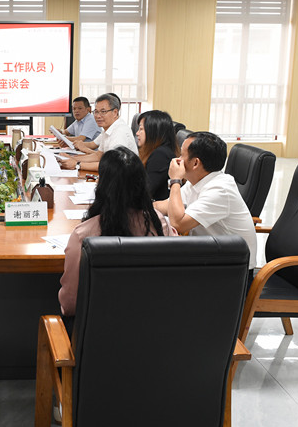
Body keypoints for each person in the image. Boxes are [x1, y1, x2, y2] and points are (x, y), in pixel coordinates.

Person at [58, 147, 172, 319]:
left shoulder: (84, 235)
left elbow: (70, 305)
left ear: (102, 186)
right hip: (154, 323)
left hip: (99, 331)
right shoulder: (159, 223)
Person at [153, 131, 257, 270]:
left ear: (195, 163)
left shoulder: (220, 190)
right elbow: (167, 206)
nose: (178, 159)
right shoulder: (197, 181)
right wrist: (140, 206)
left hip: (232, 270)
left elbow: (178, 223)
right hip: (210, 257)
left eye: (182, 155)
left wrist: (175, 180)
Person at [59, 93, 138, 173]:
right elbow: (98, 156)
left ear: (115, 112)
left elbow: (111, 165)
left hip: (124, 178)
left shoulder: (119, 132)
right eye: (96, 112)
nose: (98, 116)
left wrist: (77, 164)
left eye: (103, 111)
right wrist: (71, 158)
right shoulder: (107, 129)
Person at [136, 110, 179, 201]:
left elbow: (145, 192)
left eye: (141, 129)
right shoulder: (156, 151)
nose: (137, 133)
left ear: (153, 131)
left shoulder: (161, 155)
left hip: (157, 205)